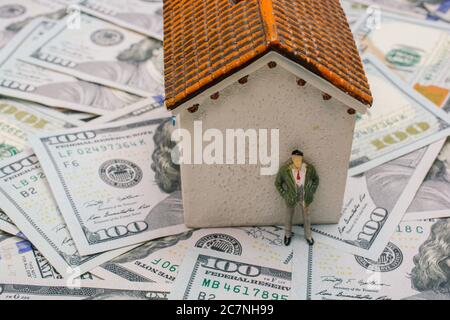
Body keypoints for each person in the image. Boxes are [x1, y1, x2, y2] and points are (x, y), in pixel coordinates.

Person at [275, 150, 319, 246]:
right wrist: (285, 194)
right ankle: (287, 234)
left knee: (306, 217)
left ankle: (308, 236)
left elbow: (316, 179)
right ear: (291, 158)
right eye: (295, 158)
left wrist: (311, 190)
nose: (297, 161)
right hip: (291, 197)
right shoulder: (284, 170)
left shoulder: (309, 169)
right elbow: (277, 183)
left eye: (299, 158)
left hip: (304, 195)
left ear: (302, 158)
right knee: (288, 216)